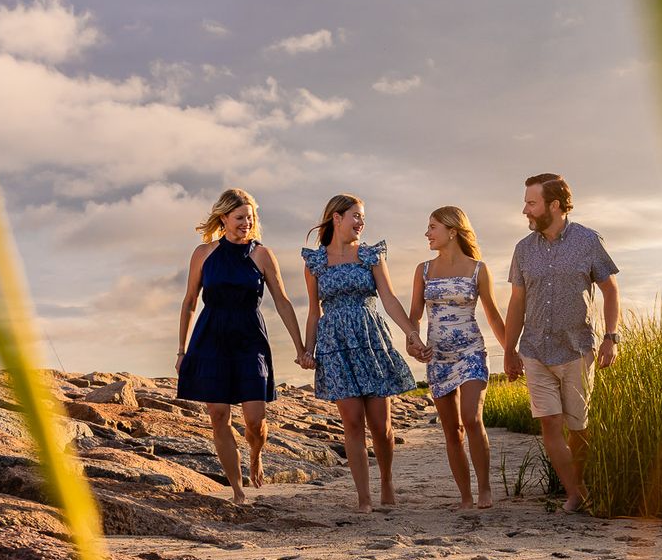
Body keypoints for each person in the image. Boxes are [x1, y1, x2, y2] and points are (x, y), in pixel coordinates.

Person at [176, 188, 310, 504]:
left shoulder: (261, 254)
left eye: (250, 218)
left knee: (255, 420)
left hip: (251, 340)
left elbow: (282, 301)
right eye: (239, 218)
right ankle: (237, 489)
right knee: (218, 415)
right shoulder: (203, 253)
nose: (246, 223)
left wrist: (300, 347)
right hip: (211, 339)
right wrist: (181, 350)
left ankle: (255, 453)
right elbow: (190, 301)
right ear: (223, 218)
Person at [500, 172, 620, 513]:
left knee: (578, 429)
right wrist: (509, 349)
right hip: (536, 349)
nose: (525, 210)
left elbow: (610, 291)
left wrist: (611, 337)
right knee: (549, 423)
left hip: (577, 349)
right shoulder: (522, 250)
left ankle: (578, 489)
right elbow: (516, 302)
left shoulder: (587, 241)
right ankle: (575, 494)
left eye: (531, 203)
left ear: (554, 205)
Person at [302, 194, 427, 512]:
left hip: (371, 340)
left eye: (363, 217)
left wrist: (411, 333)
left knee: (381, 425)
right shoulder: (315, 262)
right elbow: (314, 312)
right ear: (337, 219)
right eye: (355, 216)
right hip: (335, 345)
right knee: (353, 422)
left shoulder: (371, 255)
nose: (361, 222)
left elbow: (388, 298)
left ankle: (386, 480)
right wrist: (307, 348)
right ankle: (364, 497)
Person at [408, 206, 502, 509]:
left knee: (472, 418)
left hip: (471, 351)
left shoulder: (478, 269)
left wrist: (511, 351)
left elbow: (493, 314)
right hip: (438, 357)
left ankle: (484, 488)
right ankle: (465, 496)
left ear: (452, 231)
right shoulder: (423, 269)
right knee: (452, 430)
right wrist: (413, 342)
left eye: (432, 227)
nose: (427, 233)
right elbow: (414, 317)